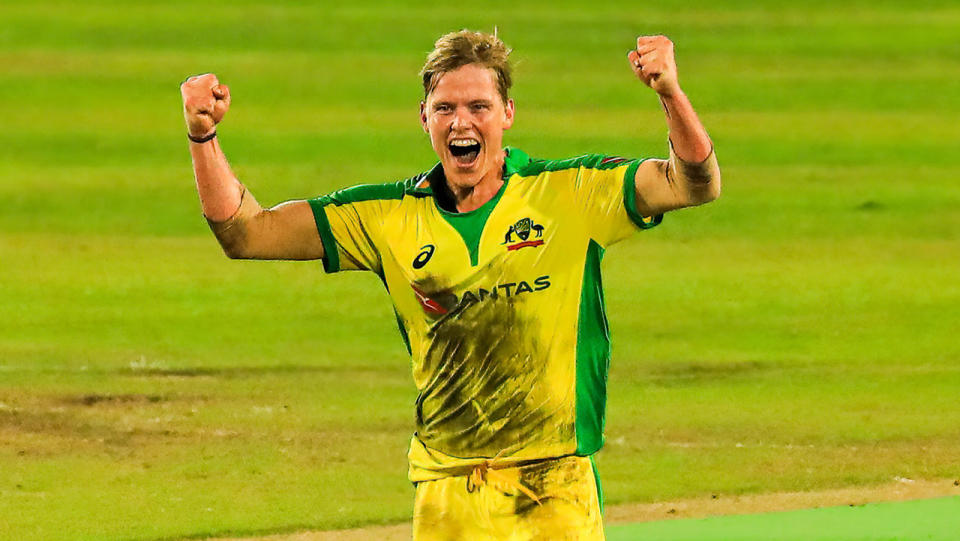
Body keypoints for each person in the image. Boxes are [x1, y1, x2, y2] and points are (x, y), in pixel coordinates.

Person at [181, 30, 719, 541]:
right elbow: (246, 233)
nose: (462, 123)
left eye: (478, 107)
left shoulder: (571, 193)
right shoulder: (385, 217)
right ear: (424, 118)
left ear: (507, 114)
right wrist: (203, 135)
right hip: (447, 491)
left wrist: (669, 91)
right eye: (445, 109)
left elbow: (693, 183)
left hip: (554, 486)